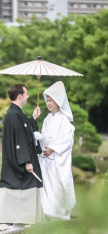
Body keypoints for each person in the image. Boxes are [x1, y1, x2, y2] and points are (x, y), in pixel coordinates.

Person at [0, 84, 44, 231]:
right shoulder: (12, 114)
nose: (29, 96)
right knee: (21, 190)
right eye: (26, 93)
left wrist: (33, 118)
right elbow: (18, 140)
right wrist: (26, 161)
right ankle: (16, 226)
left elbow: (24, 131)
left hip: (23, 159)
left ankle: (22, 224)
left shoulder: (17, 113)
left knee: (28, 189)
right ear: (20, 96)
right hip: (20, 161)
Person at [39, 81, 76, 220]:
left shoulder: (64, 120)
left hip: (57, 160)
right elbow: (43, 138)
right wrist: (42, 147)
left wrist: (53, 149)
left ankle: (61, 215)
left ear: (58, 101)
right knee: (47, 188)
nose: (48, 103)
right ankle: (48, 214)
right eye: (47, 100)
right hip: (46, 160)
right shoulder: (47, 119)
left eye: (51, 100)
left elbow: (68, 140)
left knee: (60, 186)